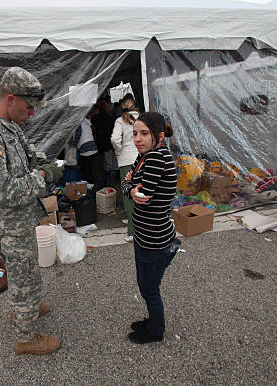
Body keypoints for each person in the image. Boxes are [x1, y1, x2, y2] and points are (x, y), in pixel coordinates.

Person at [0, 67, 62, 355]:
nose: (32, 113)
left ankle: (25, 309)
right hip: (10, 222)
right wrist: (42, 178)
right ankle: (25, 337)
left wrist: (42, 163)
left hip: (20, 218)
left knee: (25, 271)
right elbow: (1, 191)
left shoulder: (8, 127)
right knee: (24, 276)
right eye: (29, 106)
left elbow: (25, 155)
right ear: (10, 98)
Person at [121, 111, 180, 344]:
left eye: (144, 133)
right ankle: (153, 321)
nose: (138, 138)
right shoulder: (146, 155)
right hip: (146, 235)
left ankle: (156, 331)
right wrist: (131, 186)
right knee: (147, 284)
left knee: (149, 288)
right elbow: (131, 186)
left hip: (154, 240)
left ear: (160, 136)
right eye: (135, 133)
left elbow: (141, 195)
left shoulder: (156, 158)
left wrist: (130, 185)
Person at [110, 94, 139, 242]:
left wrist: (119, 150)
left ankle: (132, 232)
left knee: (129, 195)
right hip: (141, 159)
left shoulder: (120, 121)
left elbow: (114, 139)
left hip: (126, 161)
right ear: (135, 105)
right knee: (141, 192)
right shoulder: (141, 118)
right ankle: (138, 224)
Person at [74, 108, 98, 184]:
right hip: (93, 147)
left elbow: (78, 135)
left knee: (86, 171)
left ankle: (89, 188)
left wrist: (74, 144)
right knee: (91, 170)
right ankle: (93, 186)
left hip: (85, 148)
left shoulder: (79, 122)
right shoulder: (86, 121)